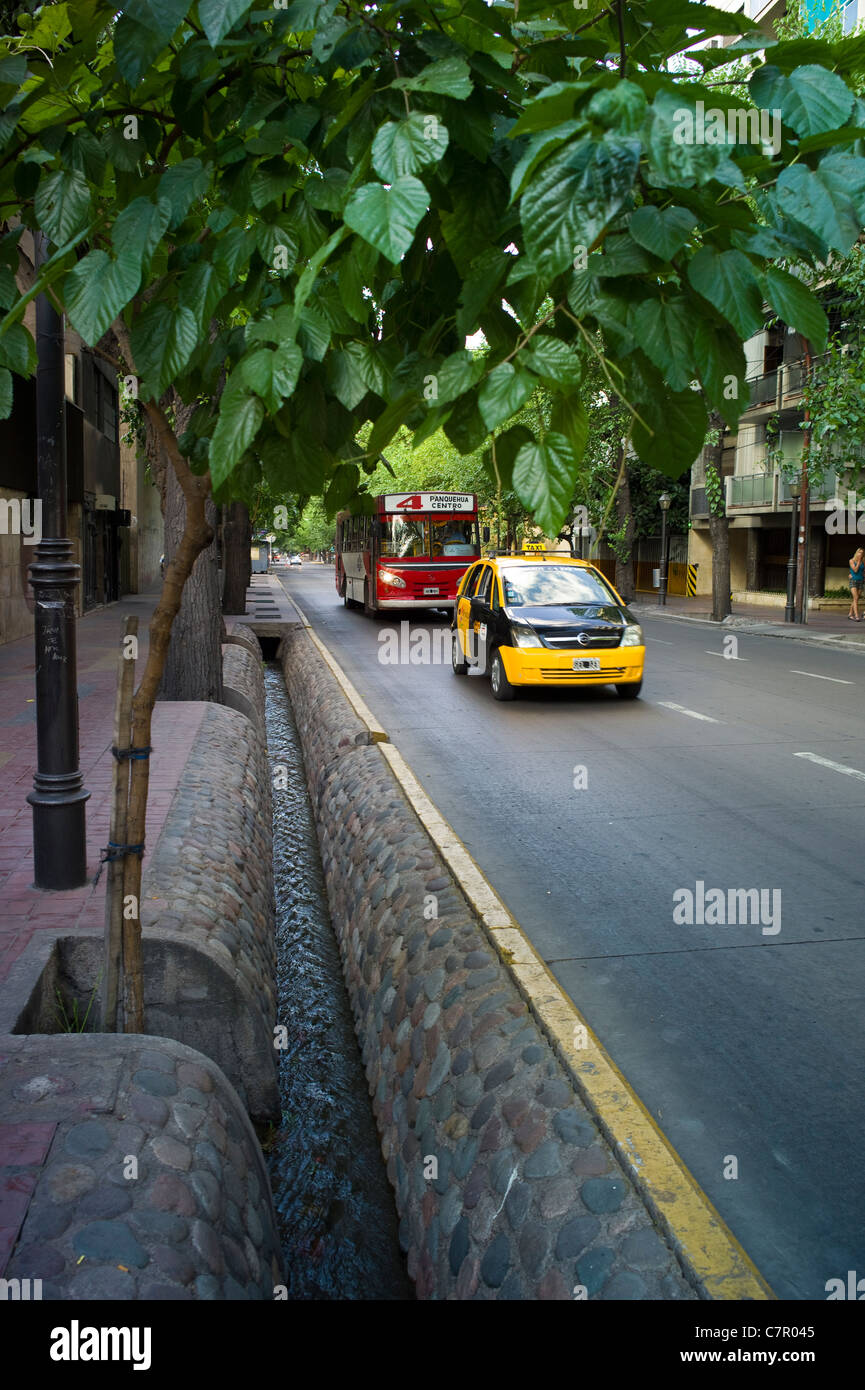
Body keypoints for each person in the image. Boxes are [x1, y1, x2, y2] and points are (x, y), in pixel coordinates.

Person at [849, 547, 864, 620]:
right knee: (856, 598)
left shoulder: (863, 561)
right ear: (856, 553)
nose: (860, 554)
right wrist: (858, 561)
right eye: (859, 552)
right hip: (853, 581)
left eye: (862, 553)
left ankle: (850, 614)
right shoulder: (851, 560)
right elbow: (855, 570)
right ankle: (856, 616)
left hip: (861, 581)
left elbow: (863, 572)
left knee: (856, 599)